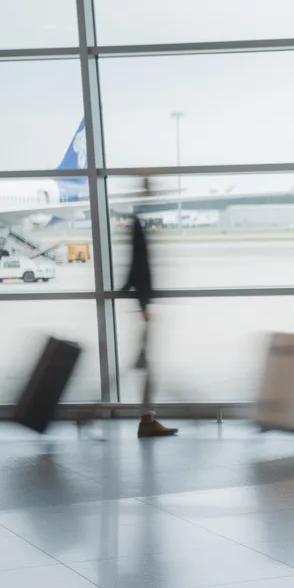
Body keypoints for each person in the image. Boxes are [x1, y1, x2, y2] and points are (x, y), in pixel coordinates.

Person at [123, 184, 177, 439]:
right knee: (143, 365)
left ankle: (147, 419)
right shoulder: (138, 221)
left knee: (140, 364)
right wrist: (144, 305)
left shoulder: (137, 220)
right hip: (144, 306)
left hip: (144, 304)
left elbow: (135, 265)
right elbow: (138, 266)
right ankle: (145, 421)